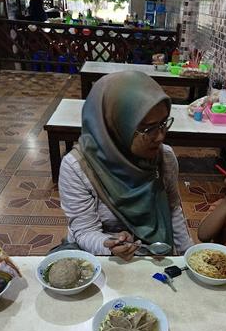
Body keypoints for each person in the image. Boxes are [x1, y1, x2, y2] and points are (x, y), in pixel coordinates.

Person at [58, 70, 193, 261]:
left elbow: (172, 210)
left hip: (154, 250)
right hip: (104, 257)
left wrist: (189, 255)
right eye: (149, 129)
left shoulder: (164, 158)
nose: (160, 136)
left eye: (163, 123)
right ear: (116, 126)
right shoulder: (78, 167)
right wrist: (109, 245)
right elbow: (85, 231)